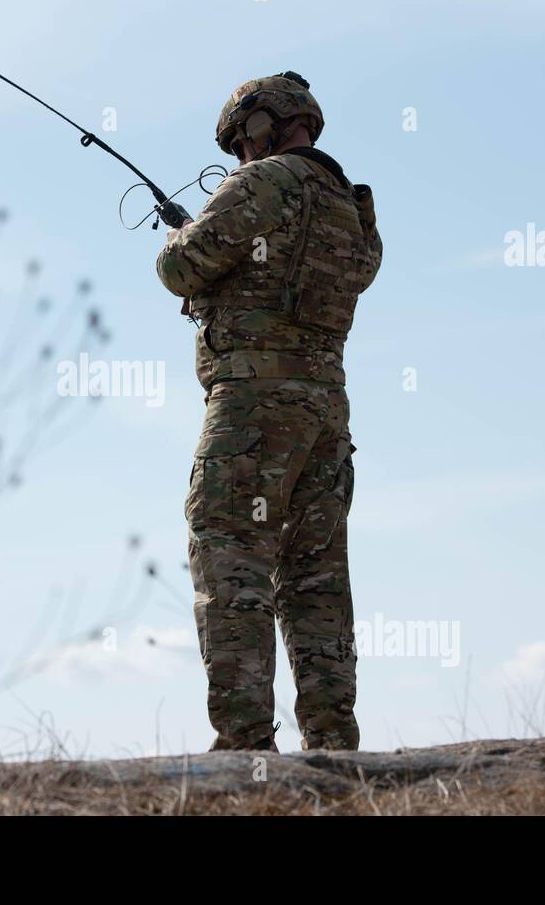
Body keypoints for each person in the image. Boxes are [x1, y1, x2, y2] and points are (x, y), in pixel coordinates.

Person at [155, 71, 382, 751]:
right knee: (317, 577)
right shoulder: (352, 205)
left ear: (260, 124)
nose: (237, 157)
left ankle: (246, 744)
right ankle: (334, 743)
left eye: (239, 142)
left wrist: (181, 236)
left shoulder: (262, 182)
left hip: (253, 408)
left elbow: (183, 268)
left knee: (230, 552)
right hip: (326, 415)